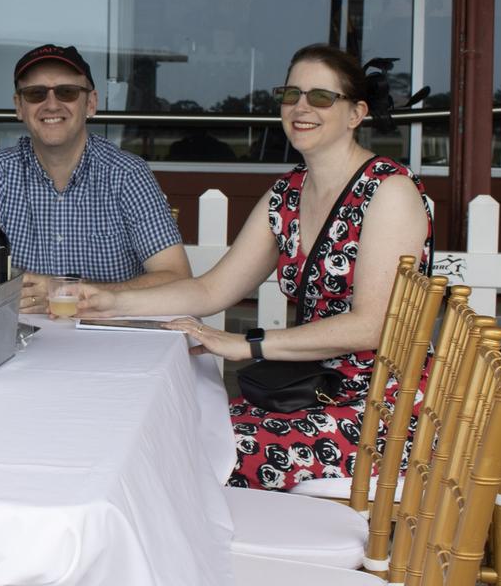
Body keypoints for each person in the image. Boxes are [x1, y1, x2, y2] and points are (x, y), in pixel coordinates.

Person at [75, 44, 434, 491]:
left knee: (199, 450)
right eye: (291, 94)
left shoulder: (389, 191)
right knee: (168, 431)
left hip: (383, 409)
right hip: (311, 389)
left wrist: (247, 344)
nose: (301, 107)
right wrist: (111, 300)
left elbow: (374, 326)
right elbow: (211, 290)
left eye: (321, 97)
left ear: (356, 113)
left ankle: (210, 557)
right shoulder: (287, 194)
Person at [0, 44, 191, 312]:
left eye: (66, 92)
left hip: (109, 340)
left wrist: (66, 293)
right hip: (19, 340)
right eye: (35, 93)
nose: (51, 104)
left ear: (91, 103)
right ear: (19, 106)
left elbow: (177, 279)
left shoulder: (127, 174)